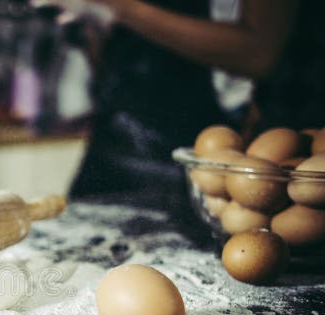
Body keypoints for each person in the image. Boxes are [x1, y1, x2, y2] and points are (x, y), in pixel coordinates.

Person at [31, 0, 324, 206]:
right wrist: (93, 26)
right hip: (111, 143)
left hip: (182, 155)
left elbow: (259, 54)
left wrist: (118, 6)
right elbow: (110, 58)